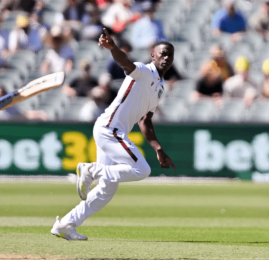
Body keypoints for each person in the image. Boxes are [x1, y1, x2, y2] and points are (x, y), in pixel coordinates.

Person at [51, 28, 176, 240]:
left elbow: (145, 120)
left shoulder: (160, 87)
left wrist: (158, 148)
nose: (166, 58)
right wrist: (113, 48)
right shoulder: (144, 71)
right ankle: (91, 169)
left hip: (114, 133)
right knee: (141, 170)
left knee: (106, 191)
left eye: (170, 55)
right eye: (162, 53)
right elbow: (125, 63)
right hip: (110, 130)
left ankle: (65, 224)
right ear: (153, 55)